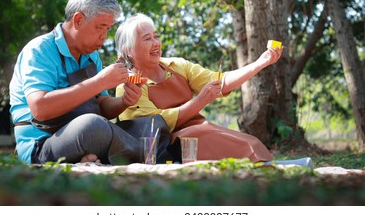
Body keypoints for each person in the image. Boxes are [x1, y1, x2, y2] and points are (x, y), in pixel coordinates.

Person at [9, 0, 169, 165]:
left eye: (108, 28)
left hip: (88, 134)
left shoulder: (91, 56)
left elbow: (102, 106)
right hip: (42, 145)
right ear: (78, 20)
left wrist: (125, 101)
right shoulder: (39, 50)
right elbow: (40, 108)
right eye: (100, 27)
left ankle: (127, 153)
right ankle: (147, 154)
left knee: (153, 124)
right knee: (93, 127)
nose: (104, 36)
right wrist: (99, 82)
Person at [114, 13, 283, 163]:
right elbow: (155, 125)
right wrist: (200, 101)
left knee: (251, 142)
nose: (155, 43)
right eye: (147, 39)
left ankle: (266, 168)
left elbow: (220, 81)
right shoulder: (128, 84)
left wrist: (260, 63)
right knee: (227, 143)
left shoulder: (177, 65)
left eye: (156, 36)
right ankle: (265, 170)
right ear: (128, 50)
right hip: (170, 144)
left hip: (201, 129)